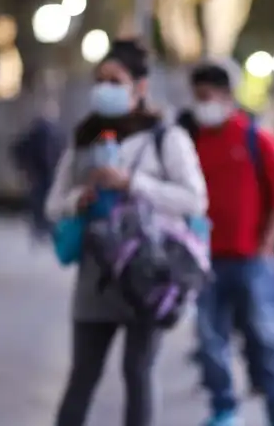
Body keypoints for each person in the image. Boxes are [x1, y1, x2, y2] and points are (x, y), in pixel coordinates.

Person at [46, 39, 208, 426]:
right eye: (99, 80)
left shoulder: (165, 137)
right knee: (82, 375)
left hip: (148, 272)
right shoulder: (83, 137)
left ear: (139, 86)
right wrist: (77, 200)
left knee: (138, 373)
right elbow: (53, 204)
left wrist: (133, 182)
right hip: (95, 274)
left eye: (115, 80)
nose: (105, 88)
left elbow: (194, 199)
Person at [188, 62, 274, 426]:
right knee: (209, 340)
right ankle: (223, 407)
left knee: (264, 339)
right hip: (206, 262)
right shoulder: (192, 142)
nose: (202, 104)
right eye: (197, 97)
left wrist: (267, 244)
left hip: (253, 261)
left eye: (206, 96)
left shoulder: (257, 138)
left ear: (226, 95)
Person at [11, 98, 65, 241]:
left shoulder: (47, 130)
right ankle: (43, 227)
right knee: (43, 200)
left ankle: (43, 227)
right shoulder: (43, 130)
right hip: (43, 172)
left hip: (44, 173)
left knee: (43, 200)